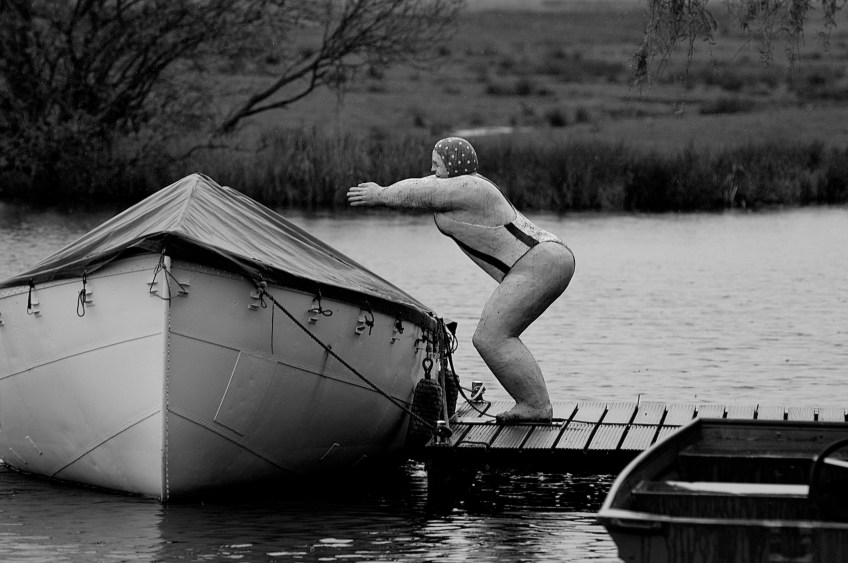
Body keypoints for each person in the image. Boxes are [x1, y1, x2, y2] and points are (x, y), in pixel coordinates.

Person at [346, 137, 575, 423]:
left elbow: (421, 191)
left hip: (540, 262)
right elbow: (426, 185)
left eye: (437, 163)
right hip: (541, 261)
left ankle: (535, 406)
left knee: (491, 337)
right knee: (493, 335)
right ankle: (534, 404)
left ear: (453, 165)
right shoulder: (464, 185)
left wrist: (380, 194)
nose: (432, 169)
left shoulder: (470, 188)